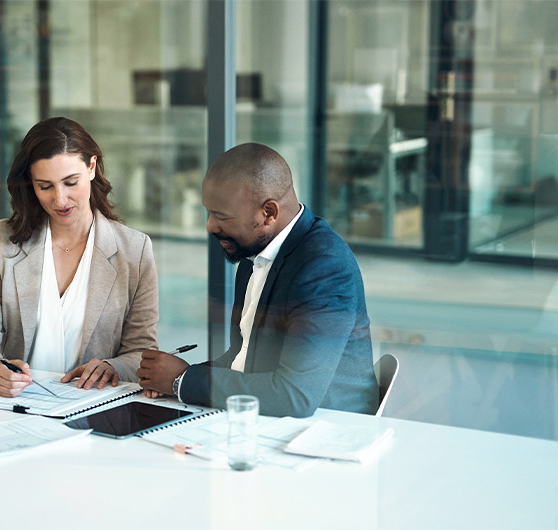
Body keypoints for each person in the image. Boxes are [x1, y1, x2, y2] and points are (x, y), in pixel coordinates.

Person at [137, 143, 378, 417]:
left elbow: (294, 396)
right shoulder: (255, 253)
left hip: (327, 432)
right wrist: (177, 377)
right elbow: (244, 356)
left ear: (269, 213)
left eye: (221, 216)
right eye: (209, 212)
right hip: (270, 422)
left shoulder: (324, 269)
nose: (210, 226)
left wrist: (183, 381)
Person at [0, 117, 158, 397]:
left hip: (95, 406)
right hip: (18, 405)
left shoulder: (135, 250)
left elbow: (142, 351)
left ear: (92, 167)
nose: (60, 200)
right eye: (45, 186)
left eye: (70, 182)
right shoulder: (0, 240)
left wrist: (113, 367)